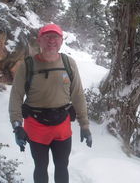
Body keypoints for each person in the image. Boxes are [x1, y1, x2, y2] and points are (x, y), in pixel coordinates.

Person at [9, 23, 92, 183]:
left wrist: (85, 125)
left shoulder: (69, 63)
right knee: (40, 167)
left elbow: (78, 96)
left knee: (62, 166)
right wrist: (17, 125)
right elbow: (16, 97)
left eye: (56, 37)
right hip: (35, 125)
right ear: (39, 41)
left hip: (62, 125)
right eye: (47, 37)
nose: (51, 40)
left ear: (61, 41)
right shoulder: (28, 65)